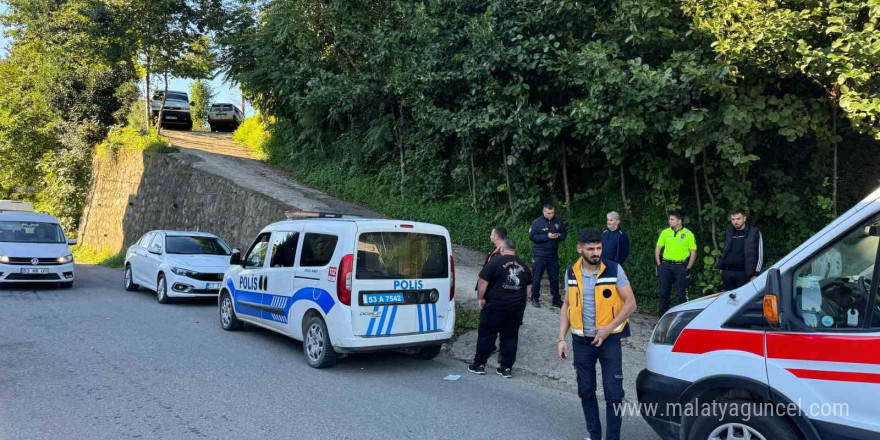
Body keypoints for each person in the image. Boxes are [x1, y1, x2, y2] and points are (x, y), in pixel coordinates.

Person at [557, 229, 637, 440]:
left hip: (609, 340)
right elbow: (566, 305)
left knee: (614, 395)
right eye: (591, 249)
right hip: (581, 341)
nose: (596, 252)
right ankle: (594, 434)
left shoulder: (614, 269)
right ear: (580, 248)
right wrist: (561, 339)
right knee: (585, 390)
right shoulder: (571, 272)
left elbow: (631, 303)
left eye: (598, 248)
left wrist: (608, 328)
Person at [469, 237, 533, 378]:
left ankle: (479, 365)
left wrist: (481, 298)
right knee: (510, 337)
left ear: (502, 248)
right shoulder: (524, 265)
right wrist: (521, 302)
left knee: (486, 334)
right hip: (516, 308)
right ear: (514, 249)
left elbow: (482, 282)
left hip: (495, 305)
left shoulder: (494, 263)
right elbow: (529, 290)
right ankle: (506, 368)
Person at [654, 209, 697, 315]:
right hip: (666, 266)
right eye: (669, 219)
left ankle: (683, 318)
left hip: (680, 267)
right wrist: (660, 266)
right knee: (664, 293)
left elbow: (693, 253)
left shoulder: (688, 234)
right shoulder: (665, 232)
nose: (670, 221)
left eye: (672, 219)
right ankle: (662, 318)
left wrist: (688, 269)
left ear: (679, 221)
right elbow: (657, 249)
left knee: (682, 294)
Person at [529, 203, 567, 308]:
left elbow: (564, 234)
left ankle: (556, 299)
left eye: (552, 213)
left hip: (553, 255)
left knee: (554, 278)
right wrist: (547, 236)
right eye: (549, 213)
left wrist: (558, 236)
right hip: (539, 255)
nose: (551, 215)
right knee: (537, 277)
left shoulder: (558, 221)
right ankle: (535, 298)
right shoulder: (537, 223)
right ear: (544, 212)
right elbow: (532, 237)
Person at [716, 209, 764, 290]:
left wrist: (756, 274)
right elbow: (725, 250)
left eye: (738, 219)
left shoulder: (754, 232)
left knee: (743, 299)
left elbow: (760, 254)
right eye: (733, 219)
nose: (735, 222)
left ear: (744, 219)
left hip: (744, 274)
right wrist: (723, 270)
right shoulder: (729, 232)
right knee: (729, 301)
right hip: (727, 273)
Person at [475, 225, 508, 291]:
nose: (490, 236)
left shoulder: (502, 253)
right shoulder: (497, 249)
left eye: (491, 234)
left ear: (496, 237)